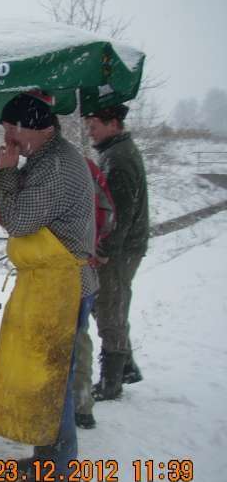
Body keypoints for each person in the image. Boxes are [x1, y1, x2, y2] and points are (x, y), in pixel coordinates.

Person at [0, 92, 96, 482]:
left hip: (64, 287)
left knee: (56, 381)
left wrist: (6, 173)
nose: (9, 141)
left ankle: (60, 471)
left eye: (11, 132)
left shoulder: (55, 167)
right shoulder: (49, 158)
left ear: (34, 128)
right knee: (47, 377)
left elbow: (18, 220)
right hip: (52, 283)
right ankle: (47, 457)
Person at [85, 104, 149, 401]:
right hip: (125, 246)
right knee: (111, 304)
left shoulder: (118, 159)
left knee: (110, 307)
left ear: (113, 124)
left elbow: (119, 213)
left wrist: (104, 250)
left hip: (119, 250)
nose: (90, 130)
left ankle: (111, 382)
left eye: (94, 124)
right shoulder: (117, 152)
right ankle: (126, 367)